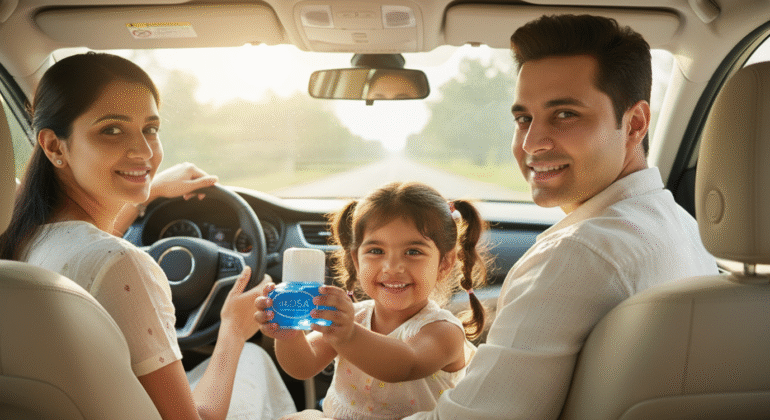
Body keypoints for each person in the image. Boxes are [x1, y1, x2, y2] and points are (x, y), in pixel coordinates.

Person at [281, 14, 719, 420]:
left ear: (636, 123)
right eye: (523, 118)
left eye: (565, 114)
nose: (532, 142)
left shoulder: (579, 254)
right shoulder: (680, 228)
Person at [0, 52, 295, 420]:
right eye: (111, 129)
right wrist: (234, 329)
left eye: (151, 128)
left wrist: (150, 190)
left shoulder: (23, 241)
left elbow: (90, 249)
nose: (144, 150)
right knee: (256, 359)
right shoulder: (122, 265)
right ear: (54, 146)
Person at [257, 181, 489, 420]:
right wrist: (288, 334)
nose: (392, 267)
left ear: (444, 264)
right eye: (376, 251)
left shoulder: (443, 332)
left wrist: (348, 335)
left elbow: (405, 364)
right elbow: (303, 366)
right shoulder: (355, 317)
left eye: (413, 251)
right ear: (356, 261)